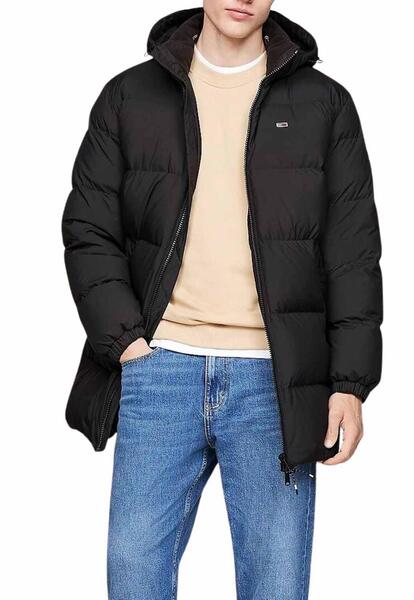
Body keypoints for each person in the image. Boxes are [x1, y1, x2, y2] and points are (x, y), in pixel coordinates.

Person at [62, 2, 383, 598]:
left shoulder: (325, 104)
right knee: (133, 578)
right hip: (161, 371)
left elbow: (353, 253)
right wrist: (127, 342)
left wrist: (349, 383)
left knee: (276, 587)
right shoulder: (130, 95)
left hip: (275, 381)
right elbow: (89, 229)